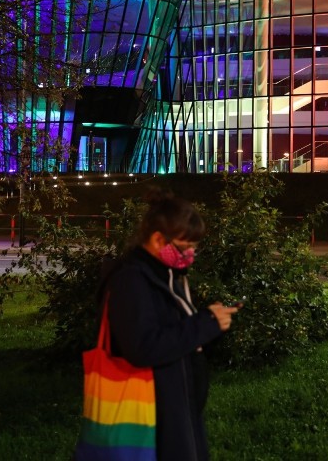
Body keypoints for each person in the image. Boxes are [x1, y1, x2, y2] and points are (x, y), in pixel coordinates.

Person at [99, 190, 239, 459]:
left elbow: (178, 335)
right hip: (150, 414)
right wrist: (205, 323)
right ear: (157, 239)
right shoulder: (132, 280)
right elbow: (143, 347)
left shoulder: (167, 276)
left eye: (194, 248)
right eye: (184, 248)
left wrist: (212, 326)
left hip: (176, 407)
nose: (190, 255)